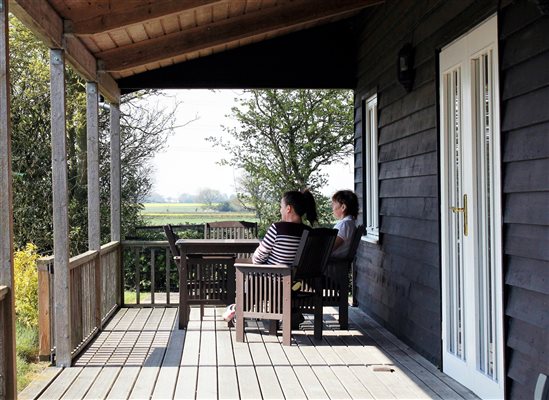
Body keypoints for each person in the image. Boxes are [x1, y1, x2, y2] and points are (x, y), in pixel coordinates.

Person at [252, 189, 318, 265]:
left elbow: (257, 259)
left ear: (288, 209)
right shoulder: (309, 231)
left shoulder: (277, 228)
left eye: (281, 207)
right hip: (298, 276)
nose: (280, 210)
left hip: (273, 275)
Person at [331, 190, 359, 258]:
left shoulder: (344, 225)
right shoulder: (350, 223)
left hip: (332, 265)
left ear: (343, 207)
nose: (332, 208)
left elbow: (329, 248)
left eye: (333, 204)